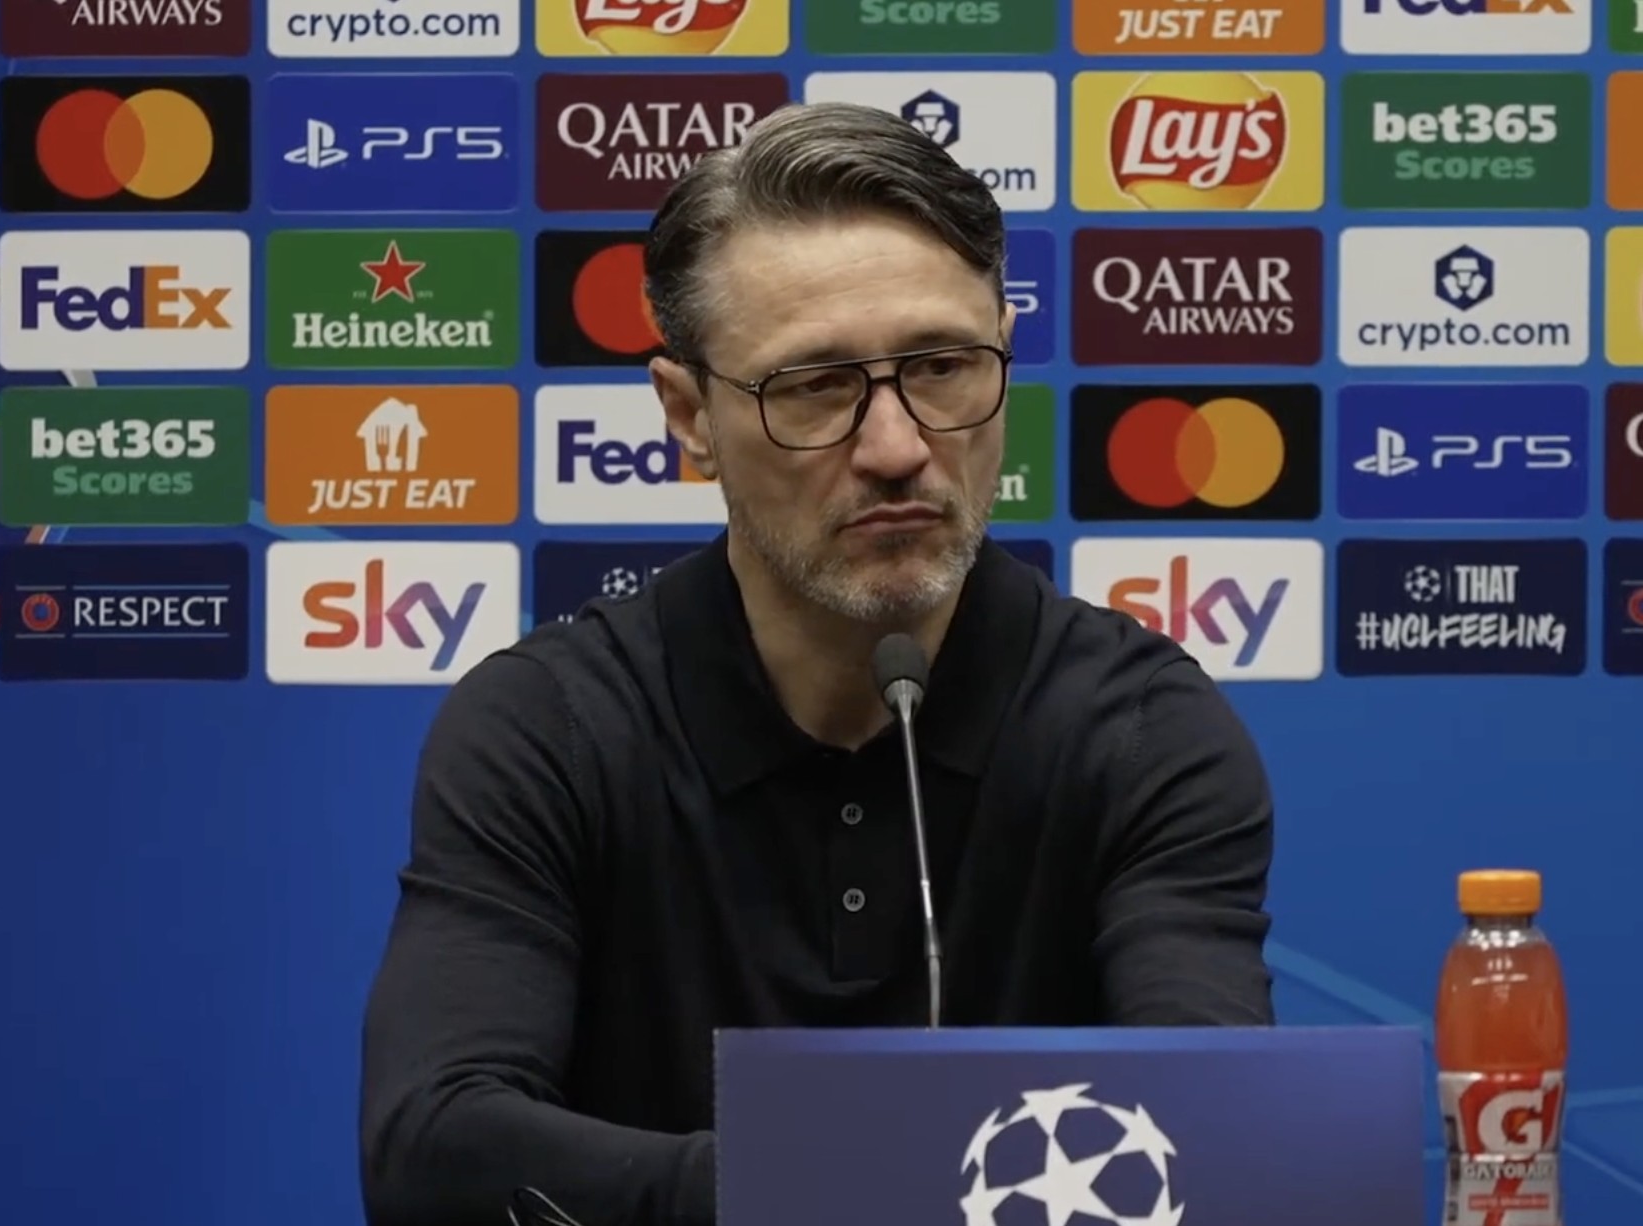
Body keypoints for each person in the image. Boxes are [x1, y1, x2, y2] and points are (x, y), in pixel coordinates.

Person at [358, 101, 1276, 1226]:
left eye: (943, 366)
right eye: (815, 386)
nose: (897, 447)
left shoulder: (1140, 728)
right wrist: (862, 1182)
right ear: (689, 415)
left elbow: (1219, 1135)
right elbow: (433, 1147)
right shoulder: (549, 725)